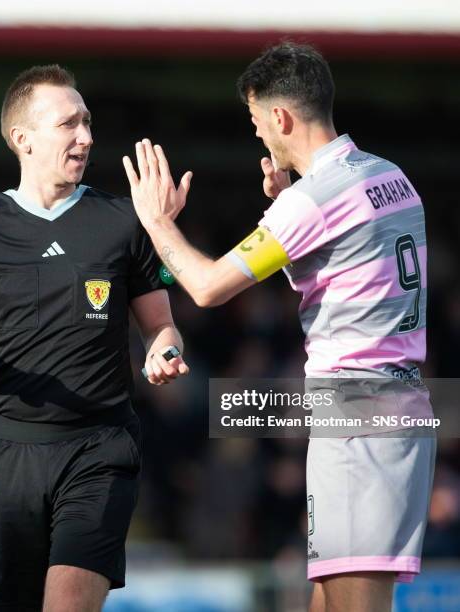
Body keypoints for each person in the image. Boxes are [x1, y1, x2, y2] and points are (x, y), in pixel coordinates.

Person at [123, 42, 435, 612]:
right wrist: (292, 213)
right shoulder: (389, 177)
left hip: (355, 415)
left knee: (355, 606)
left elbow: (207, 287)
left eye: (256, 122)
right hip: (400, 406)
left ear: (280, 117)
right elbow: (353, 264)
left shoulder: (313, 201)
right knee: (326, 599)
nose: (259, 137)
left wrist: (156, 220)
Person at [0, 64, 188, 612]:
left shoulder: (121, 219)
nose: (86, 137)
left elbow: (161, 325)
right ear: (23, 138)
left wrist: (164, 352)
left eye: (87, 122)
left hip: (100, 447)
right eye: (69, 124)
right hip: (11, 457)